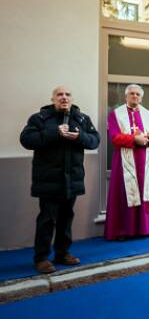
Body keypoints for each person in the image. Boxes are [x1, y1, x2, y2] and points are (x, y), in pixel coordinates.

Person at [20, 86, 100, 274]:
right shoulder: (40, 118)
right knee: (47, 219)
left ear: (71, 98)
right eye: (60, 95)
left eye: (67, 95)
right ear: (53, 99)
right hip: (48, 179)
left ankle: (62, 253)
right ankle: (41, 258)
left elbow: (95, 140)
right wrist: (54, 132)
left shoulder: (81, 118)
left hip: (72, 179)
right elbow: (26, 139)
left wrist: (80, 136)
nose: (64, 98)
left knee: (66, 217)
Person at [104, 84, 149, 241]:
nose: (135, 96)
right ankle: (123, 230)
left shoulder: (147, 113)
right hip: (124, 162)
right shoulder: (115, 114)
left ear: (141, 97)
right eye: (132, 94)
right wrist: (135, 139)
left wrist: (148, 139)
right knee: (124, 195)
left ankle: (145, 228)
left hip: (144, 161)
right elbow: (115, 137)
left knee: (144, 194)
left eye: (137, 94)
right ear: (126, 96)